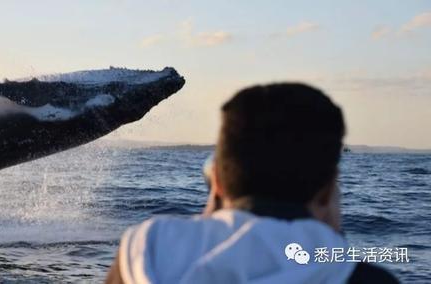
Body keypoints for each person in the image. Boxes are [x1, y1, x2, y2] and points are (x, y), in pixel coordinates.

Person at [105, 83, 398, 284]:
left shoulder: (145, 254)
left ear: (216, 181)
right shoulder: (360, 277)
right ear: (327, 191)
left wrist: (214, 212)